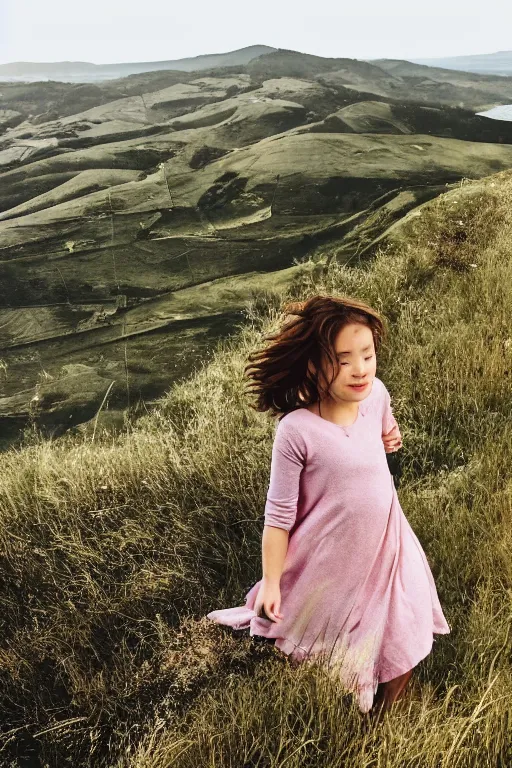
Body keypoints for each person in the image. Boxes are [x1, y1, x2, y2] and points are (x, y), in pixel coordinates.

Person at [206, 294, 450, 718]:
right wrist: (271, 582)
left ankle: (386, 716)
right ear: (315, 365)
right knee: (321, 644)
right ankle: (342, 695)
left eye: (367, 354)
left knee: (405, 627)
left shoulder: (375, 396)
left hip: (390, 542)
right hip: (330, 560)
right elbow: (278, 519)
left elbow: (385, 427)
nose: (360, 369)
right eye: (343, 360)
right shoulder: (297, 431)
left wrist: (391, 438)